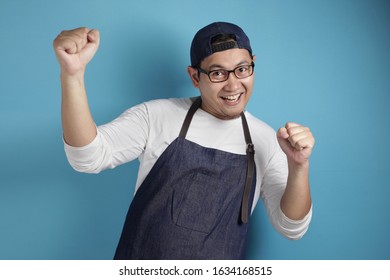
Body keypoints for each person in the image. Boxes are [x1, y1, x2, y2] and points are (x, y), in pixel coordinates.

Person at [53, 22, 315, 260]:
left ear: (252, 65)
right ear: (194, 77)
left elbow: (291, 228)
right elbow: (86, 157)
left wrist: (299, 166)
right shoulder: (156, 116)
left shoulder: (267, 140)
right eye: (217, 73)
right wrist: (72, 75)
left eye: (242, 70)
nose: (233, 85)